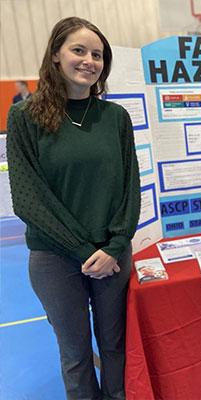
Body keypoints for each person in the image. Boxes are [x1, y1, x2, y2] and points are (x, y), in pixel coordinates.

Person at [6, 17, 140, 400]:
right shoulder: (25, 117)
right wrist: (86, 252)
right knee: (76, 354)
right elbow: (29, 198)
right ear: (55, 57)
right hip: (56, 258)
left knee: (115, 347)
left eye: (97, 54)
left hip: (112, 255)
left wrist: (114, 247)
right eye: (78, 50)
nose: (89, 60)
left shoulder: (115, 119)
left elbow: (130, 188)